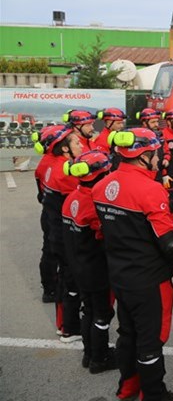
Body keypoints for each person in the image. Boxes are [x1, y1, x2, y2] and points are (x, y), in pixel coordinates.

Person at [93, 128, 173, 401]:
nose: (159, 159)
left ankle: (128, 389)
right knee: (151, 342)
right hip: (150, 280)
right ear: (145, 156)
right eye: (156, 154)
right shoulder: (151, 189)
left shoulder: (102, 186)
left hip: (120, 276)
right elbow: (169, 244)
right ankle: (155, 396)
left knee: (127, 335)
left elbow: (101, 233)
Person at [61, 150, 117, 373]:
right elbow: (106, 237)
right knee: (102, 314)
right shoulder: (94, 203)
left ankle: (89, 354)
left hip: (78, 266)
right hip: (96, 269)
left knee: (88, 311)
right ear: (101, 174)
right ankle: (99, 359)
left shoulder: (71, 198)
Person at [39, 126, 83, 341]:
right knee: (71, 282)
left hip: (55, 231)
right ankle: (69, 328)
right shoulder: (65, 171)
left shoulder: (51, 164)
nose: (81, 145)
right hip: (65, 236)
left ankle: (63, 324)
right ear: (65, 148)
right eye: (76, 143)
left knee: (64, 279)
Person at [32, 125, 67, 303]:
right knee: (53, 252)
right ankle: (52, 289)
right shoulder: (57, 166)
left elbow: (40, 192)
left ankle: (50, 288)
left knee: (50, 250)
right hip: (55, 213)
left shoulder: (46, 162)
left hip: (48, 210)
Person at [137, 108, 166, 180]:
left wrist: (165, 174)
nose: (156, 124)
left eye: (157, 121)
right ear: (144, 123)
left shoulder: (159, 135)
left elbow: (165, 152)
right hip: (145, 176)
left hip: (158, 175)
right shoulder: (138, 138)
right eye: (153, 122)